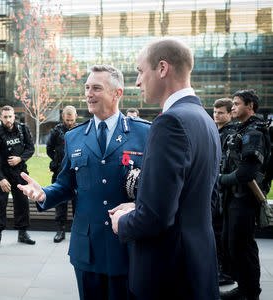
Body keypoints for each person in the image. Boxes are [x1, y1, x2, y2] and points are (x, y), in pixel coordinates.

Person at [18, 65, 151, 300]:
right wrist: (45, 194)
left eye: (96, 88)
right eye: (87, 87)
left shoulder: (144, 133)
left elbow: (156, 188)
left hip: (128, 246)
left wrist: (137, 204)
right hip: (87, 247)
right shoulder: (74, 136)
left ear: (117, 93)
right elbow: (66, 184)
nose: (89, 93)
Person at [110, 39, 221, 299]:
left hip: (168, 276)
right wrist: (140, 205)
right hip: (197, 268)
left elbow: (156, 219)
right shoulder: (205, 119)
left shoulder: (169, 122)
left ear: (162, 68)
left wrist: (121, 222)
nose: (137, 82)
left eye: (140, 71)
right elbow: (205, 200)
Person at [219, 90, 271, 300]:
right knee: (233, 245)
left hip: (246, 199)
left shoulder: (254, 133)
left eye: (237, 103)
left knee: (243, 246)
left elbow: (246, 173)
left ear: (250, 106)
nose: (233, 107)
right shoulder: (242, 130)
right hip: (234, 197)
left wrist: (220, 179)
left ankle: (250, 292)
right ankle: (244, 287)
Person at [0, 105, 36, 248]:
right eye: (5, 117)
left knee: (22, 202)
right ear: (0, 118)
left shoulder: (23, 129)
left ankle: (22, 232)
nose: (8, 120)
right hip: (3, 173)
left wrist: (20, 159)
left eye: (10, 116)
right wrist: (1, 178)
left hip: (19, 171)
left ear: (14, 116)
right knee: (0, 204)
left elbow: (30, 148)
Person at [213, 98, 237, 286]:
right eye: (215, 111)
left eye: (221, 112)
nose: (217, 115)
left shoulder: (231, 133)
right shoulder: (215, 130)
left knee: (221, 231)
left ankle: (226, 271)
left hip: (226, 188)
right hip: (215, 186)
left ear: (230, 114)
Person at [46, 105, 78, 242]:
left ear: (75, 117)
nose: (69, 123)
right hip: (60, 171)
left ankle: (77, 230)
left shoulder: (80, 130)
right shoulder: (56, 131)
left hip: (77, 172)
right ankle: (60, 230)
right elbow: (49, 149)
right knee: (60, 201)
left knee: (78, 202)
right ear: (63, 117)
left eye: (71, 120)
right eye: (67, 120)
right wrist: (57, 160)